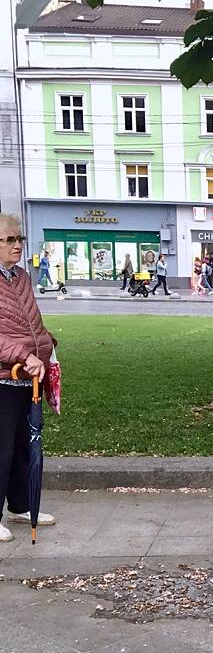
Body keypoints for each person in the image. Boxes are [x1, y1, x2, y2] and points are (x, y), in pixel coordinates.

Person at [0, 213, 57, 543]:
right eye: (9, 239)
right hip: (4, 377)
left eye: (19, 238)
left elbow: (28, 322)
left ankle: (20, 506)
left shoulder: (20, 276)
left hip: (26, 376)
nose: (18, 245)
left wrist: (47, 344)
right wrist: (24, 355)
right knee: (2, 449)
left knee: (25, 444)